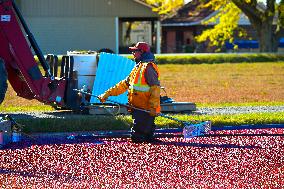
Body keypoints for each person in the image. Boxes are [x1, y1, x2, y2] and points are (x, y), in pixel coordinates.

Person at [98, 42, 160, 143]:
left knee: (137, 138)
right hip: (137, 107)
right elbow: (124, 85)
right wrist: (107, 93)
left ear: (142, 52)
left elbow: (155, 88)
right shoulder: (137, 67)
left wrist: (153, 107)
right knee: (146, 136)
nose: (133, 53)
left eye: (135, 51)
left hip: (145, 109)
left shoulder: (148, 67)